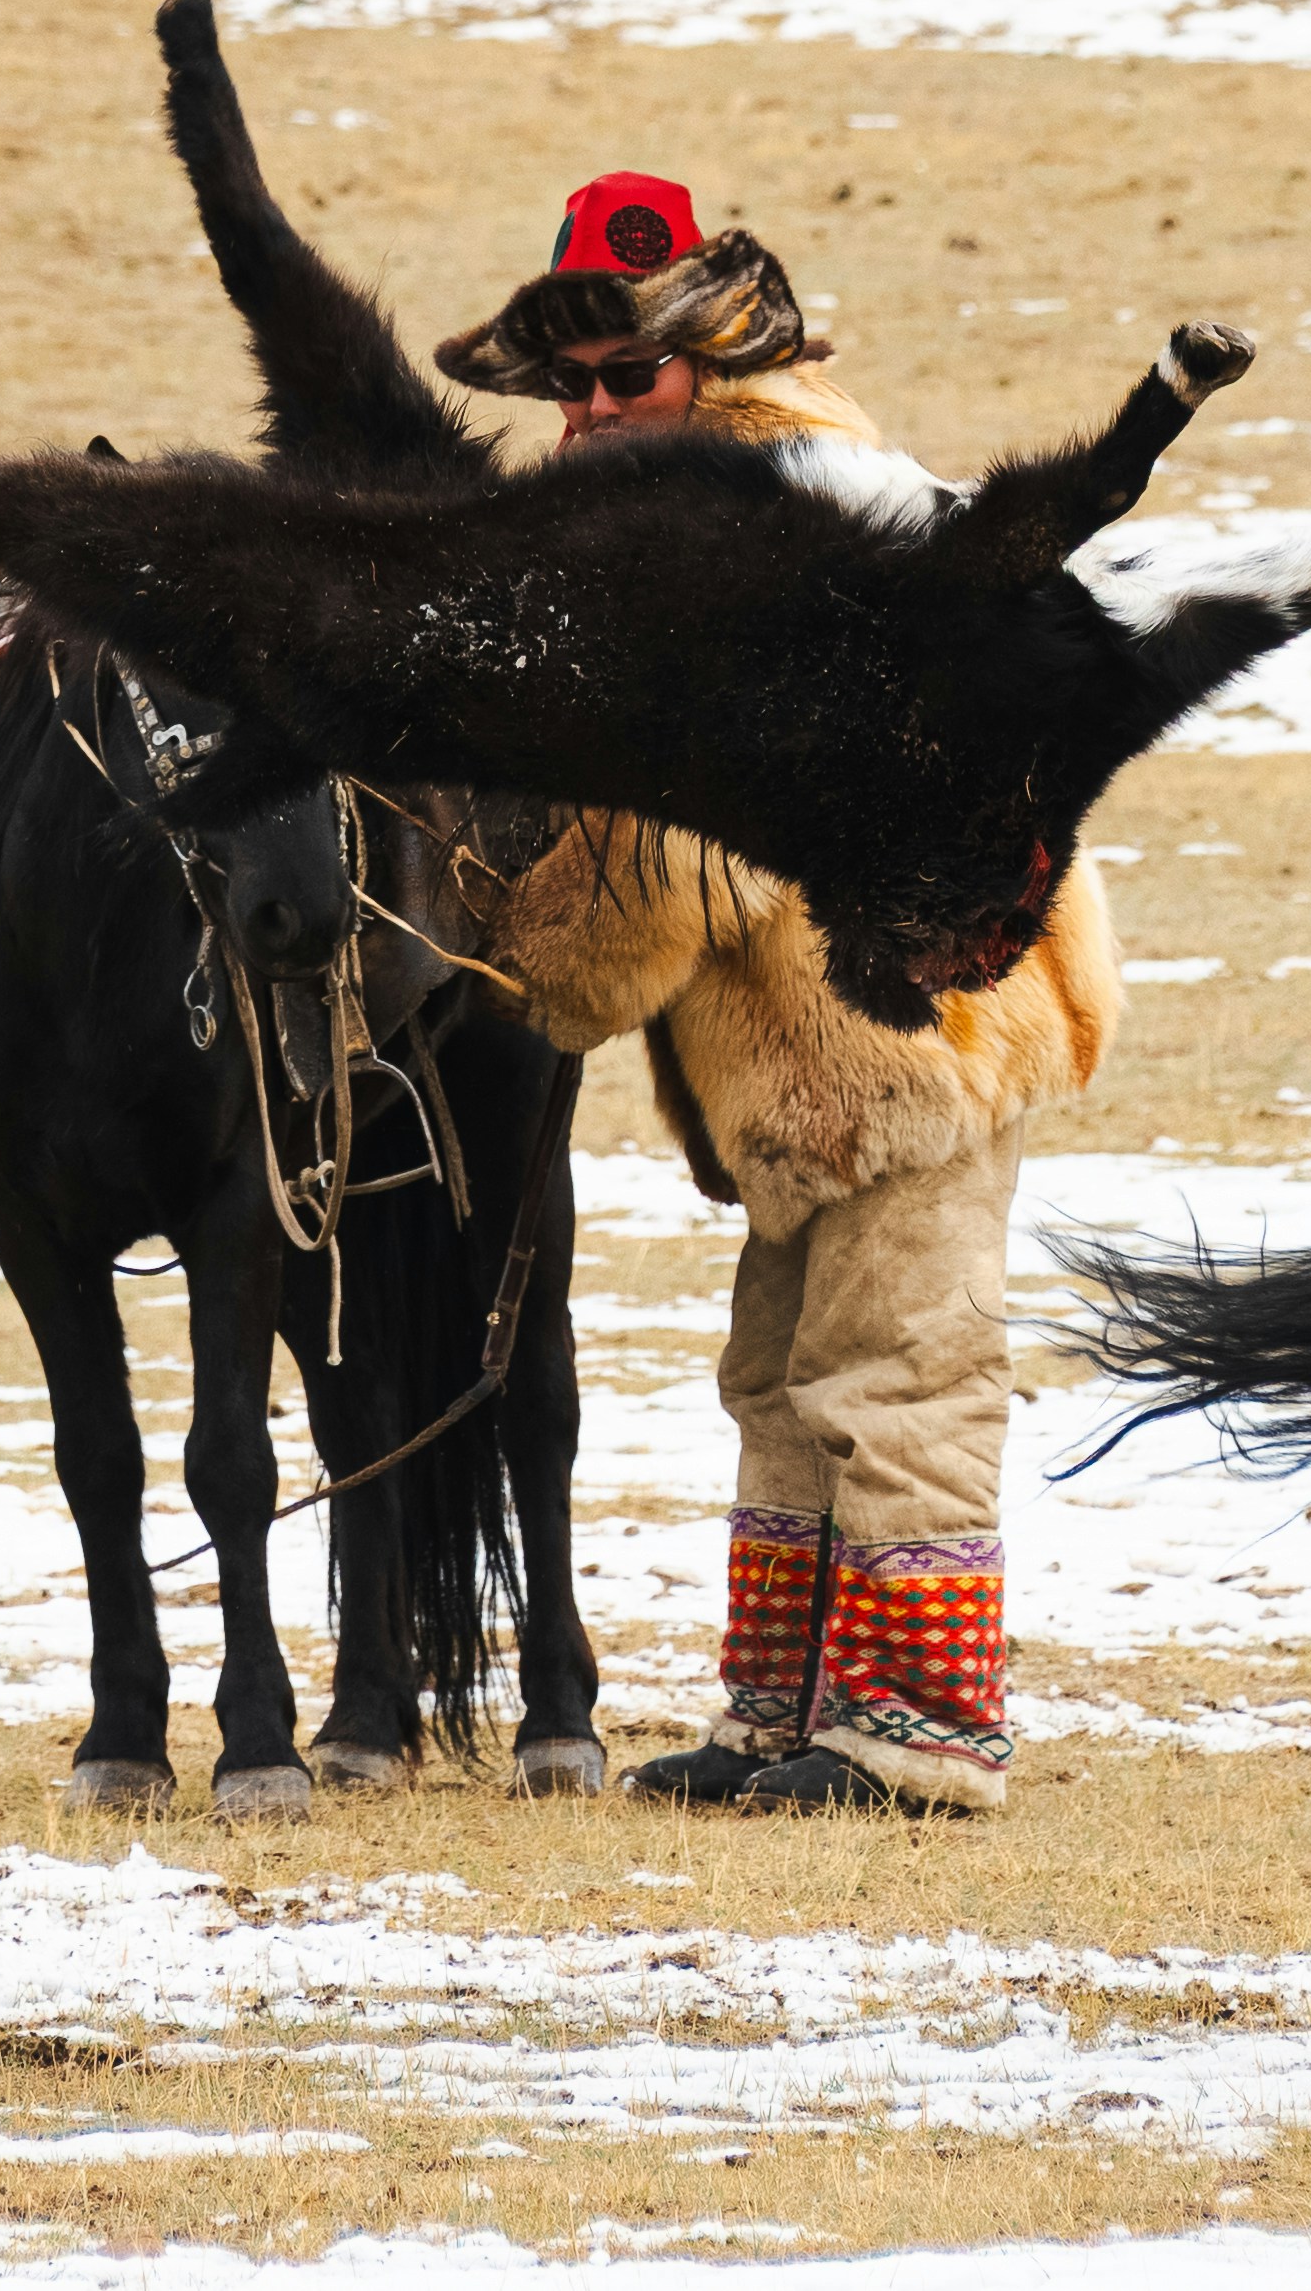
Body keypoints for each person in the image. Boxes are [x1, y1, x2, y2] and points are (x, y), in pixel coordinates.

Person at [441, 174, 1117, 1817]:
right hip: (819, 1052)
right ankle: (782, 1716)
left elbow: (668, 862)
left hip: (917, 1027)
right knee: (785, 1367)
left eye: (627, 375)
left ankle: (918, 1737)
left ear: (706, 364)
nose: (593, 413)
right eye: (571, 386)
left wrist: (515, 962)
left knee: (899, 1364)